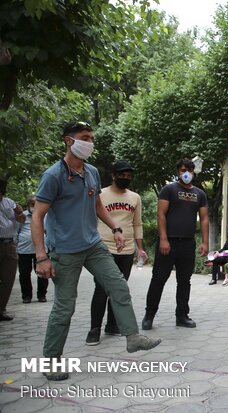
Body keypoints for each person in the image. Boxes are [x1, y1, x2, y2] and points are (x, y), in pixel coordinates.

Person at [31, 121, 161, 381]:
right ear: (69, 141)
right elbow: (37, 217)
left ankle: (132, 337)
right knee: (64, 308)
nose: (89, 142)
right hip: (64, 251)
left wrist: (114, 228)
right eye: (84, 137)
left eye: (91, 137)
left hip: (93, 245)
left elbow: (97, 204)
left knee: (119, 286)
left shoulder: (90, 172)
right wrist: (41, 256)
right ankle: (51, 361)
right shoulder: (53, 176)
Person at [142, 158, 209, 330]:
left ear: (193, 171)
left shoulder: (199, 194)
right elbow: (161, 214)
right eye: (182, 170)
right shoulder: (169, 189)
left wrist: (205, 242)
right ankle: (149, 316)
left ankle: (182, 316)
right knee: (158, 279)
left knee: (184, 281)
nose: (185, 173)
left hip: (188, 243)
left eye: (188, 170)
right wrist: (163, 239)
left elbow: (204, 219)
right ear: (178, 172)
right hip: (168, 243)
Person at [86, 160, 147, 345]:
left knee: (119, 289)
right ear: (113, 175)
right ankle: (94, 329)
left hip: (127, 249)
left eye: (128, 176)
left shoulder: (135, 197)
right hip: (103, 248)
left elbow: (137, 223)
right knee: (102, 288)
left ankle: (112, 325)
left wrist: (140, 248)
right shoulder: (101, 194)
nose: (125, 178)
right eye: (121, 175)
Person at [0, 178, 25, 321]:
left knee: (8, 280)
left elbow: (21, 220)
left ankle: (1, 309)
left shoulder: (9, 203)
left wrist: (19, 213)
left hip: (9, 244)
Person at [17, 196, 49, 303]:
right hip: (24, 250)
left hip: (41, 249)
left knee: (43, 273)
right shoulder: (22, 217)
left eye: (36, 204)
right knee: (24, 273)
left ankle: (42, 295)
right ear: (28, 205)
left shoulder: (45, 216)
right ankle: (26, 296)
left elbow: (48, 231)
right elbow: (16, 231)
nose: (34, 206)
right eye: (32, 204)